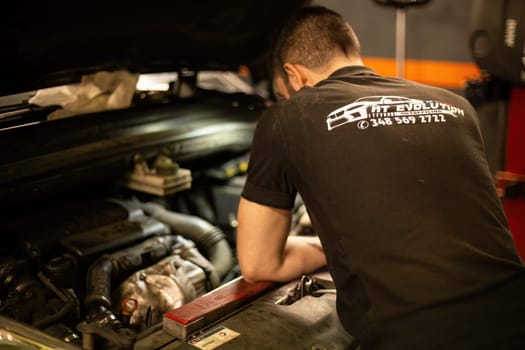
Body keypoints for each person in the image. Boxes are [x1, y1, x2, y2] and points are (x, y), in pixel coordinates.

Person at [235, 5, 525, 350]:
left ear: (294, 76)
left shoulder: (288, 115)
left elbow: (258, 263)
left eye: (286, 92)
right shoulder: (456, 106)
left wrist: (323, 247)